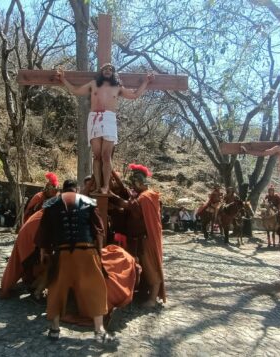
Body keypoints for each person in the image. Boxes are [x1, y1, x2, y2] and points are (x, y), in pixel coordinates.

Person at [35, 179, 115, 344]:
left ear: (62, 190)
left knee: (56, 289)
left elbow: (44, 230)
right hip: (86, 252)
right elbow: (99, 230)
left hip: (62, 253)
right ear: (77, 189)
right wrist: (99, 252)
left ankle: (55, 329)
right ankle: (99, 330)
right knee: (95, 288)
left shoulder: (50, 204)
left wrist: (44, 251)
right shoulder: (88, 202)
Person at [56, 64, 153, 194]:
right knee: (96, 156)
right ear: (101, 72)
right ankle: (97, 186)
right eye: (105, 69)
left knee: (106, 156)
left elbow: (135, 94)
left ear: (113, 73)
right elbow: (75, 90)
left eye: (111, 69)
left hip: (108, 119)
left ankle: (105, 186)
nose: (108, 71)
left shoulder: (117, 87)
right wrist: (63, 79)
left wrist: (146, 81)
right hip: (94, 118)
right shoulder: (93, 84)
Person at [109, 164, 166, 307]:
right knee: (141, 267)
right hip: (136, 238)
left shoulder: (145, 198)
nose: (132, 186)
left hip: (145, 239)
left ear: (139, 182)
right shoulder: (142, 195)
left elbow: (127, 205)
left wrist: (110, 196)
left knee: (150, 267)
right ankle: (142, 292)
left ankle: (152, 300)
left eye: (134, 182)